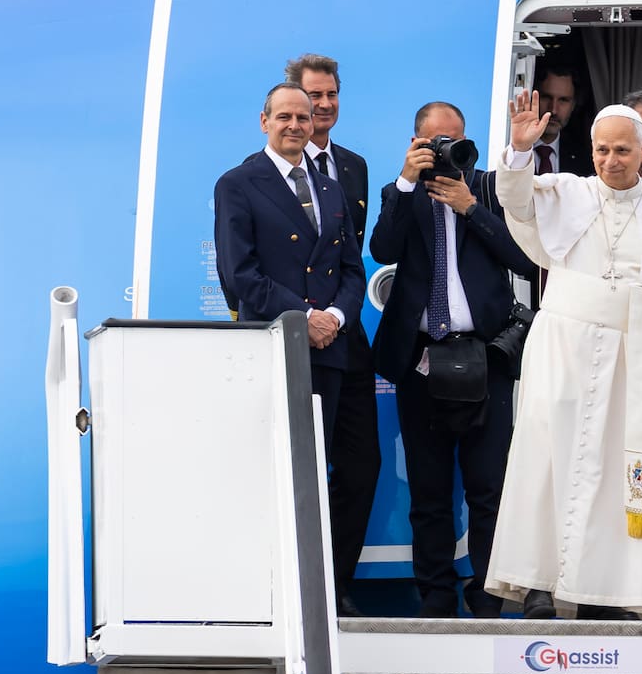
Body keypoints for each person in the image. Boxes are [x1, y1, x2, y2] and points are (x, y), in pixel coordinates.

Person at [485, 94, 642, 620]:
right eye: (602, 150)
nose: (611, 161)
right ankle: (539, 586)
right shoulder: (565, 192)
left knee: (624, 472)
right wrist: (519, 152)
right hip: (560, 350)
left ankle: (612, 590)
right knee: (547, 462)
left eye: (622, 151)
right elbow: (516, 201)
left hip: (632, 363)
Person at [368, 102, 533, 618]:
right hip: (422, 360)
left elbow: (523, 256)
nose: (446, 151)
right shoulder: (401, 193)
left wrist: (471, 208)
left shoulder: (486, 188)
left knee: (489, 490)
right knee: (429, 492)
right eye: (435, 141)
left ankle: (487, 600)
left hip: (486, 357)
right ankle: (436, 601)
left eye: (456, 140)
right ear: (416, 141)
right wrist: (405, 182)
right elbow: (382, 247)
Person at [214, 82, 366, 446]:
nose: (294, 125)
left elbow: (352, 269)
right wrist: (306, 318)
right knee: (274, 464)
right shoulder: (237, 184)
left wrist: (336, 318)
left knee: (315, 461)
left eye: (302, 117)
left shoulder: (330, 189)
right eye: (284, 117)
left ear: (313, 125)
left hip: (327, 350)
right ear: (264, 122)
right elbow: (240, 274)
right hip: (273, 345)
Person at [282, 54, 380, 618]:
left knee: (360, 465)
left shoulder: (355, 167)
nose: (321, 108)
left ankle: (336, 583)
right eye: (311, 97)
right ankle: (299, 588)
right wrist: (306, 319)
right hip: (294, 340)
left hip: (347, 338)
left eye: (330, 96)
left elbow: (352, 260)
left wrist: (339, 318)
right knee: (300, 469)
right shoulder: (258, 175)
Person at [533, 65, 592, 176]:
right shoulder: (511, 149)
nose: (553, 110)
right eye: (546, 97)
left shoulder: (584, 158)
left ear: (574, 105)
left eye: (563, 100)